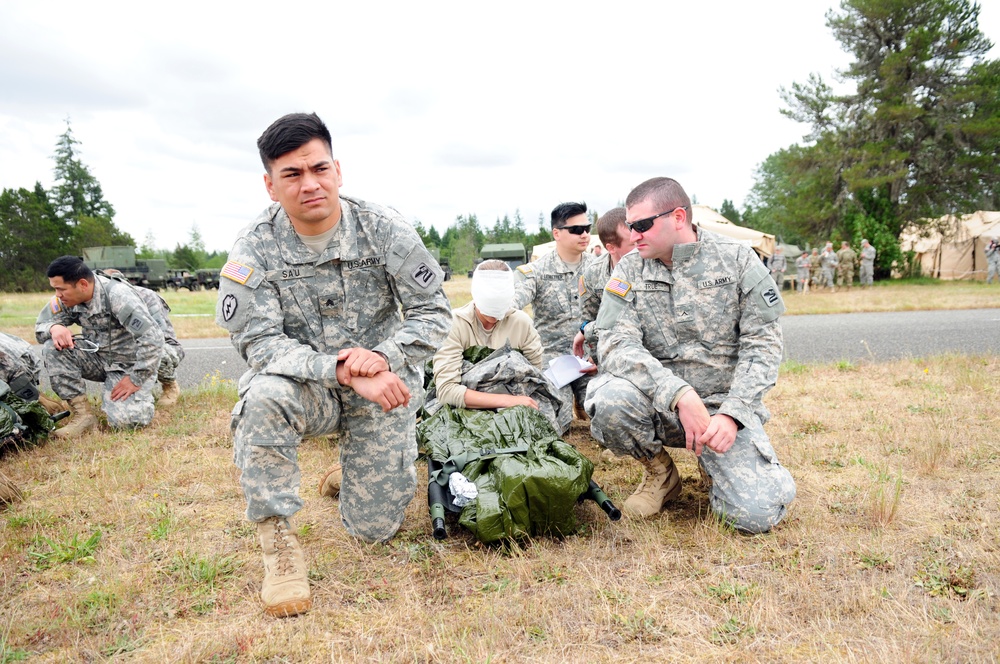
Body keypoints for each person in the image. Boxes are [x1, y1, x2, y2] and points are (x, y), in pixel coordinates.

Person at [216, 112, 451, 618]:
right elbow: (259, 342)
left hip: (386, 387)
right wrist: (341, 370)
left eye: (319, 169)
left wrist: (383, 358)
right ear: (270, 186)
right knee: (262, 398)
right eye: (292, 175)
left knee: (375, 532)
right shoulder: (254, 246)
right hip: (309, 388)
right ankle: (278, 546)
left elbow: (434, 312)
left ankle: (351, 473)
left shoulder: (384, 228)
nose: (310, 184)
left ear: (338, 170)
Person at [585, 177, 795, 532]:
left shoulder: (738, 260)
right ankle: (661, 474)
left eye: (641, 225)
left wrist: (734, 412)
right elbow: (614, 342)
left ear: (678, 217)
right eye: (630, 226)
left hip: (720, 413)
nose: (633, 234)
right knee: (608, 400)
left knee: (754, 516)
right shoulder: (629, 269)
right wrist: (678, 393)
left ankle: (718, 463)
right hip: (659, 403)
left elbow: (763, 344)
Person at [35, 256, 165, 438]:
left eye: (60, 289)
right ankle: (83, 416)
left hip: (128, 365)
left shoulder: (118, 296)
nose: (57, 294)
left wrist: (136, 378)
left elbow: (152, 338)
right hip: (96, 358)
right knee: (53, 347)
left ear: (82, 284)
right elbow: (40, 325)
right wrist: (53, 327)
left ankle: (152, 389)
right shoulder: (66, 299)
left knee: (127, 422)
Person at [512, 202, 595, 427]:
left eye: (588, 227)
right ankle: (570, 398)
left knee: (606, 411)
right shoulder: (537, 271)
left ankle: (583, 399)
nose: (585, 234)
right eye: (576, 230)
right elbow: (512, 304)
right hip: (553, 359)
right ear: (556, 233)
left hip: (590, 358)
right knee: (557, 418)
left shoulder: (598, 269)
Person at [432, 260, 543, 409]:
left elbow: (535, 378)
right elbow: (446, 391)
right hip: (463, 408)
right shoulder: (454, 324)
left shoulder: (521, 324)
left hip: (515, 405)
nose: (494, 316)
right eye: (489, 304)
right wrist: (506, 401)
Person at [102, 269, 184, 407]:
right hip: (125, 351)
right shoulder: (98, 300)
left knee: (156, 348)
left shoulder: (145, 295)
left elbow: (158, 336)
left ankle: (170, 385)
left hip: (160, 347)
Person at [573, 207, 635, 362]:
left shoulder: (653, 263)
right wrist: (595, 359)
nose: (639, 242)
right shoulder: (593, 274)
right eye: (632, 242)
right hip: (614, 350)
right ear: (611, 248)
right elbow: (588, 321)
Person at [0, 331, 63, 414]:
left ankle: (50, 410)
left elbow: (13, 369)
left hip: (16, 367)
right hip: (16, 359)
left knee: (35, 404)